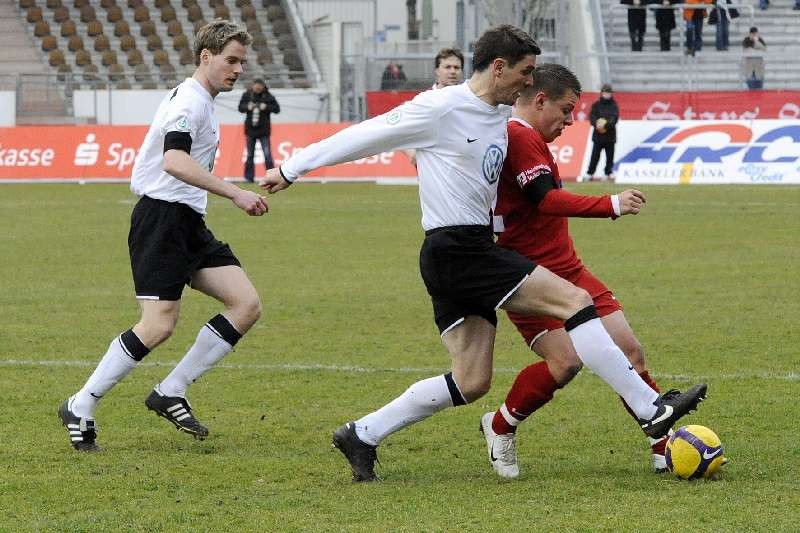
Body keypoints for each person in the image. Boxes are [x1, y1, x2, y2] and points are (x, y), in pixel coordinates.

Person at [259, 25, 707, 483]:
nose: (529, 83)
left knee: (471, 381)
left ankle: (362, 434)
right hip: (458, 250)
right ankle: (650, 408)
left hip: (463, 252)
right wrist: (292, 168)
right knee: (576, 302)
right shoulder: (441, 107)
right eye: (525, 72)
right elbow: (365, 135)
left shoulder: (498, 118)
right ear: (499, 67)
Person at [58, 19, 269, 452]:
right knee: (158, 325)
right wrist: (235, 193)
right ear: (205, 57)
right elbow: (174, 161)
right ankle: (81, 405)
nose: (237, 69)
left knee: (245, 304)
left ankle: (171, 390)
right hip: (161, 219)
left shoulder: (203, 100)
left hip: (187, 221)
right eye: (231, 60)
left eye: (242, 62)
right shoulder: (189, 103)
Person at [481, 64, 683, 478]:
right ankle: (500, 425)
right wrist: (610, 204)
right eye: (566, 109)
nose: (571, 120)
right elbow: (546, 200)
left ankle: (665, 446)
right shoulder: (518, 135)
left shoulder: (530, 137)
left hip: (569, 269)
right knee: (566, 363)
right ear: (540, 100)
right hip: (531, 279)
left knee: (630, 350)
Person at [238, 78, 280, 182]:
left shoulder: (268, 96)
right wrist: (248, 106)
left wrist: (266, 107)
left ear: (263, 86)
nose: (258, 88)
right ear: (253, 86)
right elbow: (240, 107)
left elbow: (277, 109)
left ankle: (271, 178)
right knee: (250, 155)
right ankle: (248, 178)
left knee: (267, 155)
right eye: (256, 86)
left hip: (264, 131)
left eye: (260, 86)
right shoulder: (247, 95)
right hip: (250, 130)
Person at [583, 83, 619, 182]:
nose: (607, 94)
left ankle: (607, 173)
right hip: (598, 136)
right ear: (602, 93)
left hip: (610, 136)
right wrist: (596, 124)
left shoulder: (614, 105)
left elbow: (614, 118)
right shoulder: (596, 105)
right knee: (594, 156)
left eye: (609, 93)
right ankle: (590, 173)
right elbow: (592, 117)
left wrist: (605, 125)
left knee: (609, 157)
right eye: (605, 92)